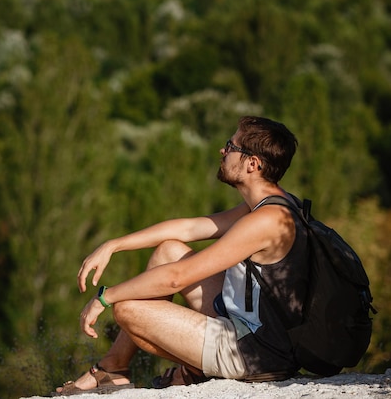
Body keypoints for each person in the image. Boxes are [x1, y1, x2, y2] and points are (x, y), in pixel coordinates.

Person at [55, 116, 309, 395]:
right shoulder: (272, 204)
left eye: (230, 146)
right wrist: (113, 245)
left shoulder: (267, 220)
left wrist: (105, 296)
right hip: (251, 329)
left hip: (255, 353)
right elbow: (189, 227)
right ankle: (113, 368)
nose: (222, 152)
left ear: (252, 164)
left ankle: (192, 370)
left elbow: (177, 279)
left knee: (127, 309)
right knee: (169, 250)